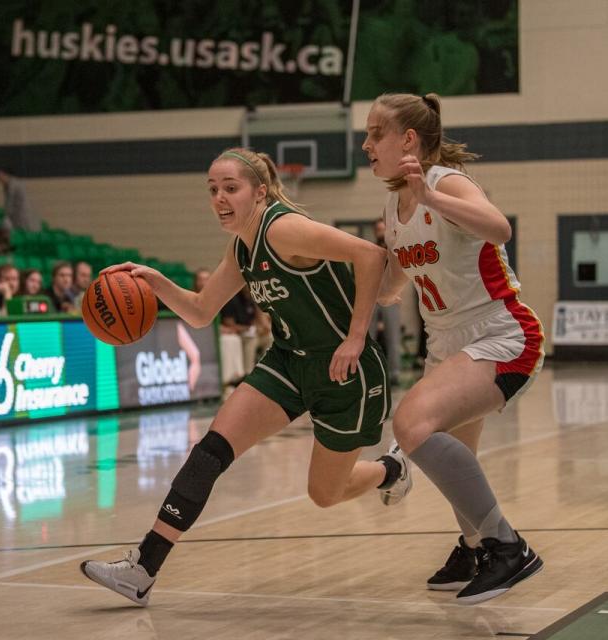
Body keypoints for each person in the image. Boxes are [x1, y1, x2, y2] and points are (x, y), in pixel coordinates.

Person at [79, 147, 409, 606]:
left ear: (260, 191)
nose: (219, 198)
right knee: (210, 451)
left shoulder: (283, 228)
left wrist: (356, 338)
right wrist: (156, 282)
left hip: (344, 369)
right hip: (288, 361)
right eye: (212, 190)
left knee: (324, 494)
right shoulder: (242, 247)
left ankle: (391, 469)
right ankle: (143, 568)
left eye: (230, 188)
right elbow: (199, 312)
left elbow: (371, 256)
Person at [365, 93, 545, 604]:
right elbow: (395, 282)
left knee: (410, 424)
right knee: (456, 456)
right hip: (446, 343)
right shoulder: (393, 204)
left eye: (376, 132)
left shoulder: (444, 182)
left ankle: (508, 548)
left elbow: (498, 227)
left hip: (500, 334)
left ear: (409, 140)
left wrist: (432, 198)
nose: (366, 143)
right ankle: (472, 547)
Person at [369, 219, 403, 383]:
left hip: (391, 296)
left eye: (384, 229)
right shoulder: (370, 249)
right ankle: (372, 372)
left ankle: (394, 373)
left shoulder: (394, 249)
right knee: (369, 336)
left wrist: (397, 292)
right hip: (371, 298)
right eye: (379, 229)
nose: (381, 232)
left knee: (393, 336)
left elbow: (401, 273)